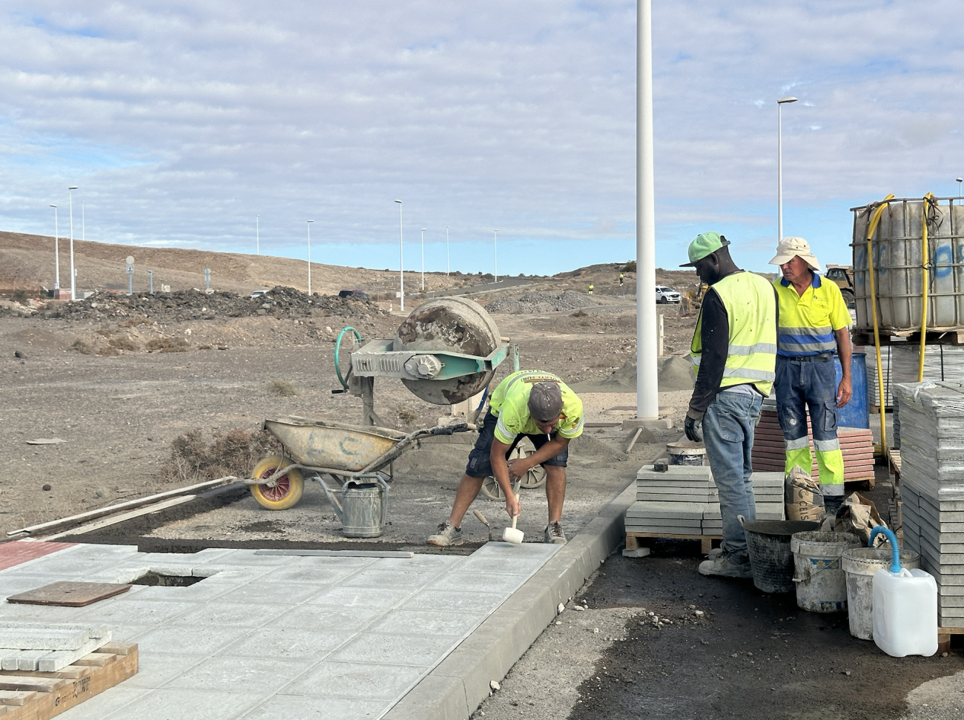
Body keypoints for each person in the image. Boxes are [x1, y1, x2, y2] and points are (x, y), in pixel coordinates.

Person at [681, 232, 778, 578]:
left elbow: (714, 357)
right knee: (743, 478)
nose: (698, 276)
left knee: (730, 481)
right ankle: (746, 549)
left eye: (698, 267)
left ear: (714, 259)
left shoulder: (720, 294)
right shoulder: (765, 286)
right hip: (756, 394)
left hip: (725, 397)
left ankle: (738, 557)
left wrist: (696, 409)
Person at [427, 370, 584, 547]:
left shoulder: (573, 408)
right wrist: (509, 496)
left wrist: (526, 463)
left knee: (556, 465)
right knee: (478, 466)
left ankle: (554, 526)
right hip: (504, 408)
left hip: (538, 413)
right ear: (531, 415)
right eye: (541, 424)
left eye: (552, 424)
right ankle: (452, 528)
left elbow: (559, 443)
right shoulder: (514, 409)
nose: (547, 430)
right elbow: (497, 454)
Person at [769, 236, 852, 517]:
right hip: (786, 369)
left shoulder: (828, 290)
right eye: (782, 262)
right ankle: (799, 500)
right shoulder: (774, 290)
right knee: (794, 438)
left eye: (789, 261)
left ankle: (832, 503)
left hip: (822, 370)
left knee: (826, 436)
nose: (785, 267)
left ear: (804, 262)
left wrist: (846, 378)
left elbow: (842, 335)